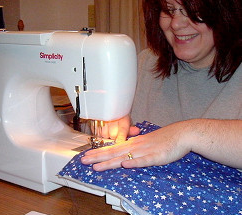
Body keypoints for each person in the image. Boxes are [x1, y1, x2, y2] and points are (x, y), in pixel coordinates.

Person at [81, 0, 242, 171]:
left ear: (226, 14)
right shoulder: (144, 63)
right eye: (169, 10)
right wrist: (106, 120)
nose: (176, 24)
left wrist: (186, 134)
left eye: (193, 11)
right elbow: (88, 128)